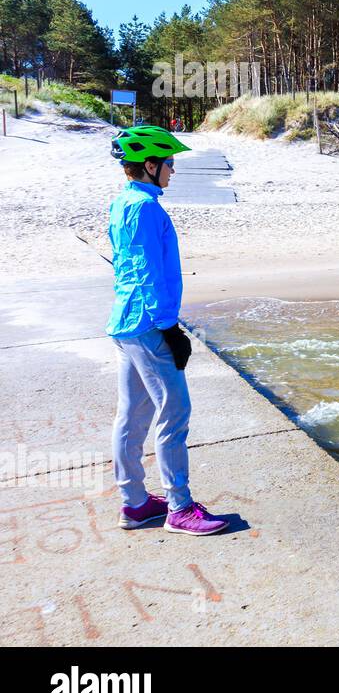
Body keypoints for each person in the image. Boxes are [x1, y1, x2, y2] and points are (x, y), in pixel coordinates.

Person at [107, 125, 227, 535]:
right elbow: (145, 272)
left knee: (132, 416)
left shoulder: (123, 203)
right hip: (146, 324)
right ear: (151, 165)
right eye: (170, 164)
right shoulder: (145, 208)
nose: (173, 172)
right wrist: (168, 328)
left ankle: (135, 504)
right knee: (174, 413)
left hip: (125, 322)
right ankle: (179, 507)